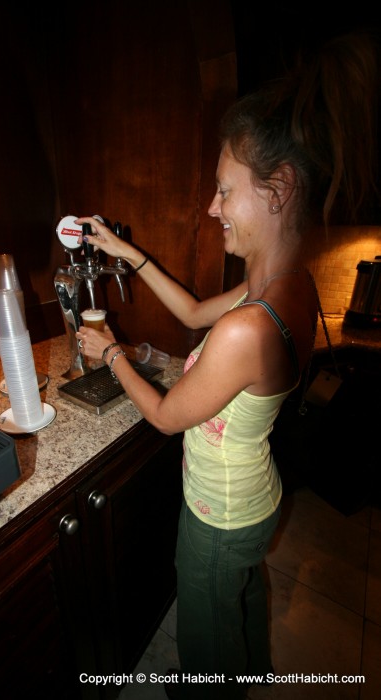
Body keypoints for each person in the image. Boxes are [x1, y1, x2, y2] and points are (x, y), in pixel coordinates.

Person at [75, 32, 378, 700]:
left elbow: (160, 417)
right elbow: (190, 317)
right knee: (242, 594)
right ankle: (248, 668)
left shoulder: (247, 325)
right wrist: (128, 255)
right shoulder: (286, 286)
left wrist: (112, 353)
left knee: (205, 631)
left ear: (278, 190)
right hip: (256, 497)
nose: (212, 208)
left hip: (218, 515)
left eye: (223, 192)